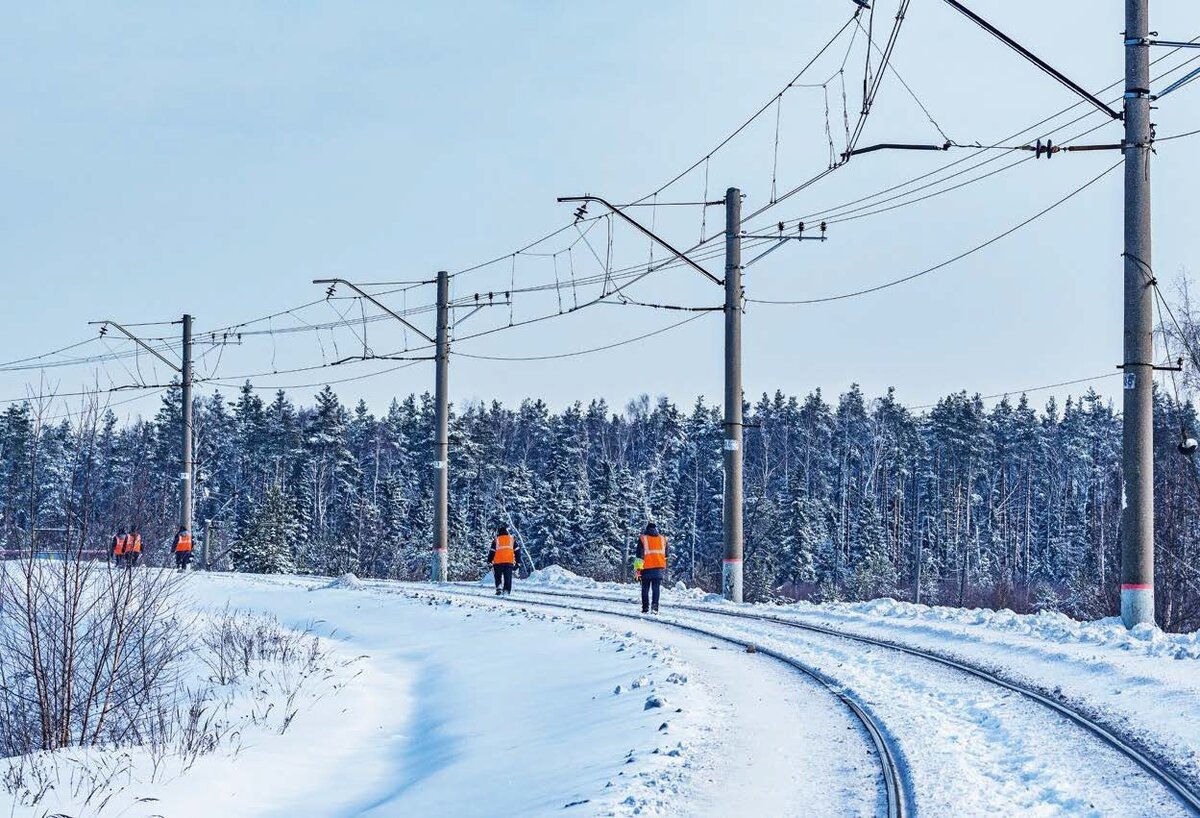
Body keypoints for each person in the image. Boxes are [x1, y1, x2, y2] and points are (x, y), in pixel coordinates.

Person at [635, 522, 667, 614]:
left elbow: (639, 557)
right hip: (658, 569)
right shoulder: (663, 539)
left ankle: (645, 608)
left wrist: (638, 572)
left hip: (646, 569)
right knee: (656, 589)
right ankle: (655, 608)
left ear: (647, 529)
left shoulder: (643, 539)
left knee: (645, 588)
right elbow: (666, 555)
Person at [487, 524, 519, 596]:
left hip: (498, 562)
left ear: (498, 533)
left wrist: (489, 560)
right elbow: (517, 551)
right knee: (508, 577)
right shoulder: (512, 539)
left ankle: (499, 588)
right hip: (508, 562)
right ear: (507, 532)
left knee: (498, 576)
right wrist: (518, 562)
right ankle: (506, 591)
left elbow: (492, 551)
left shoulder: (496, 540)